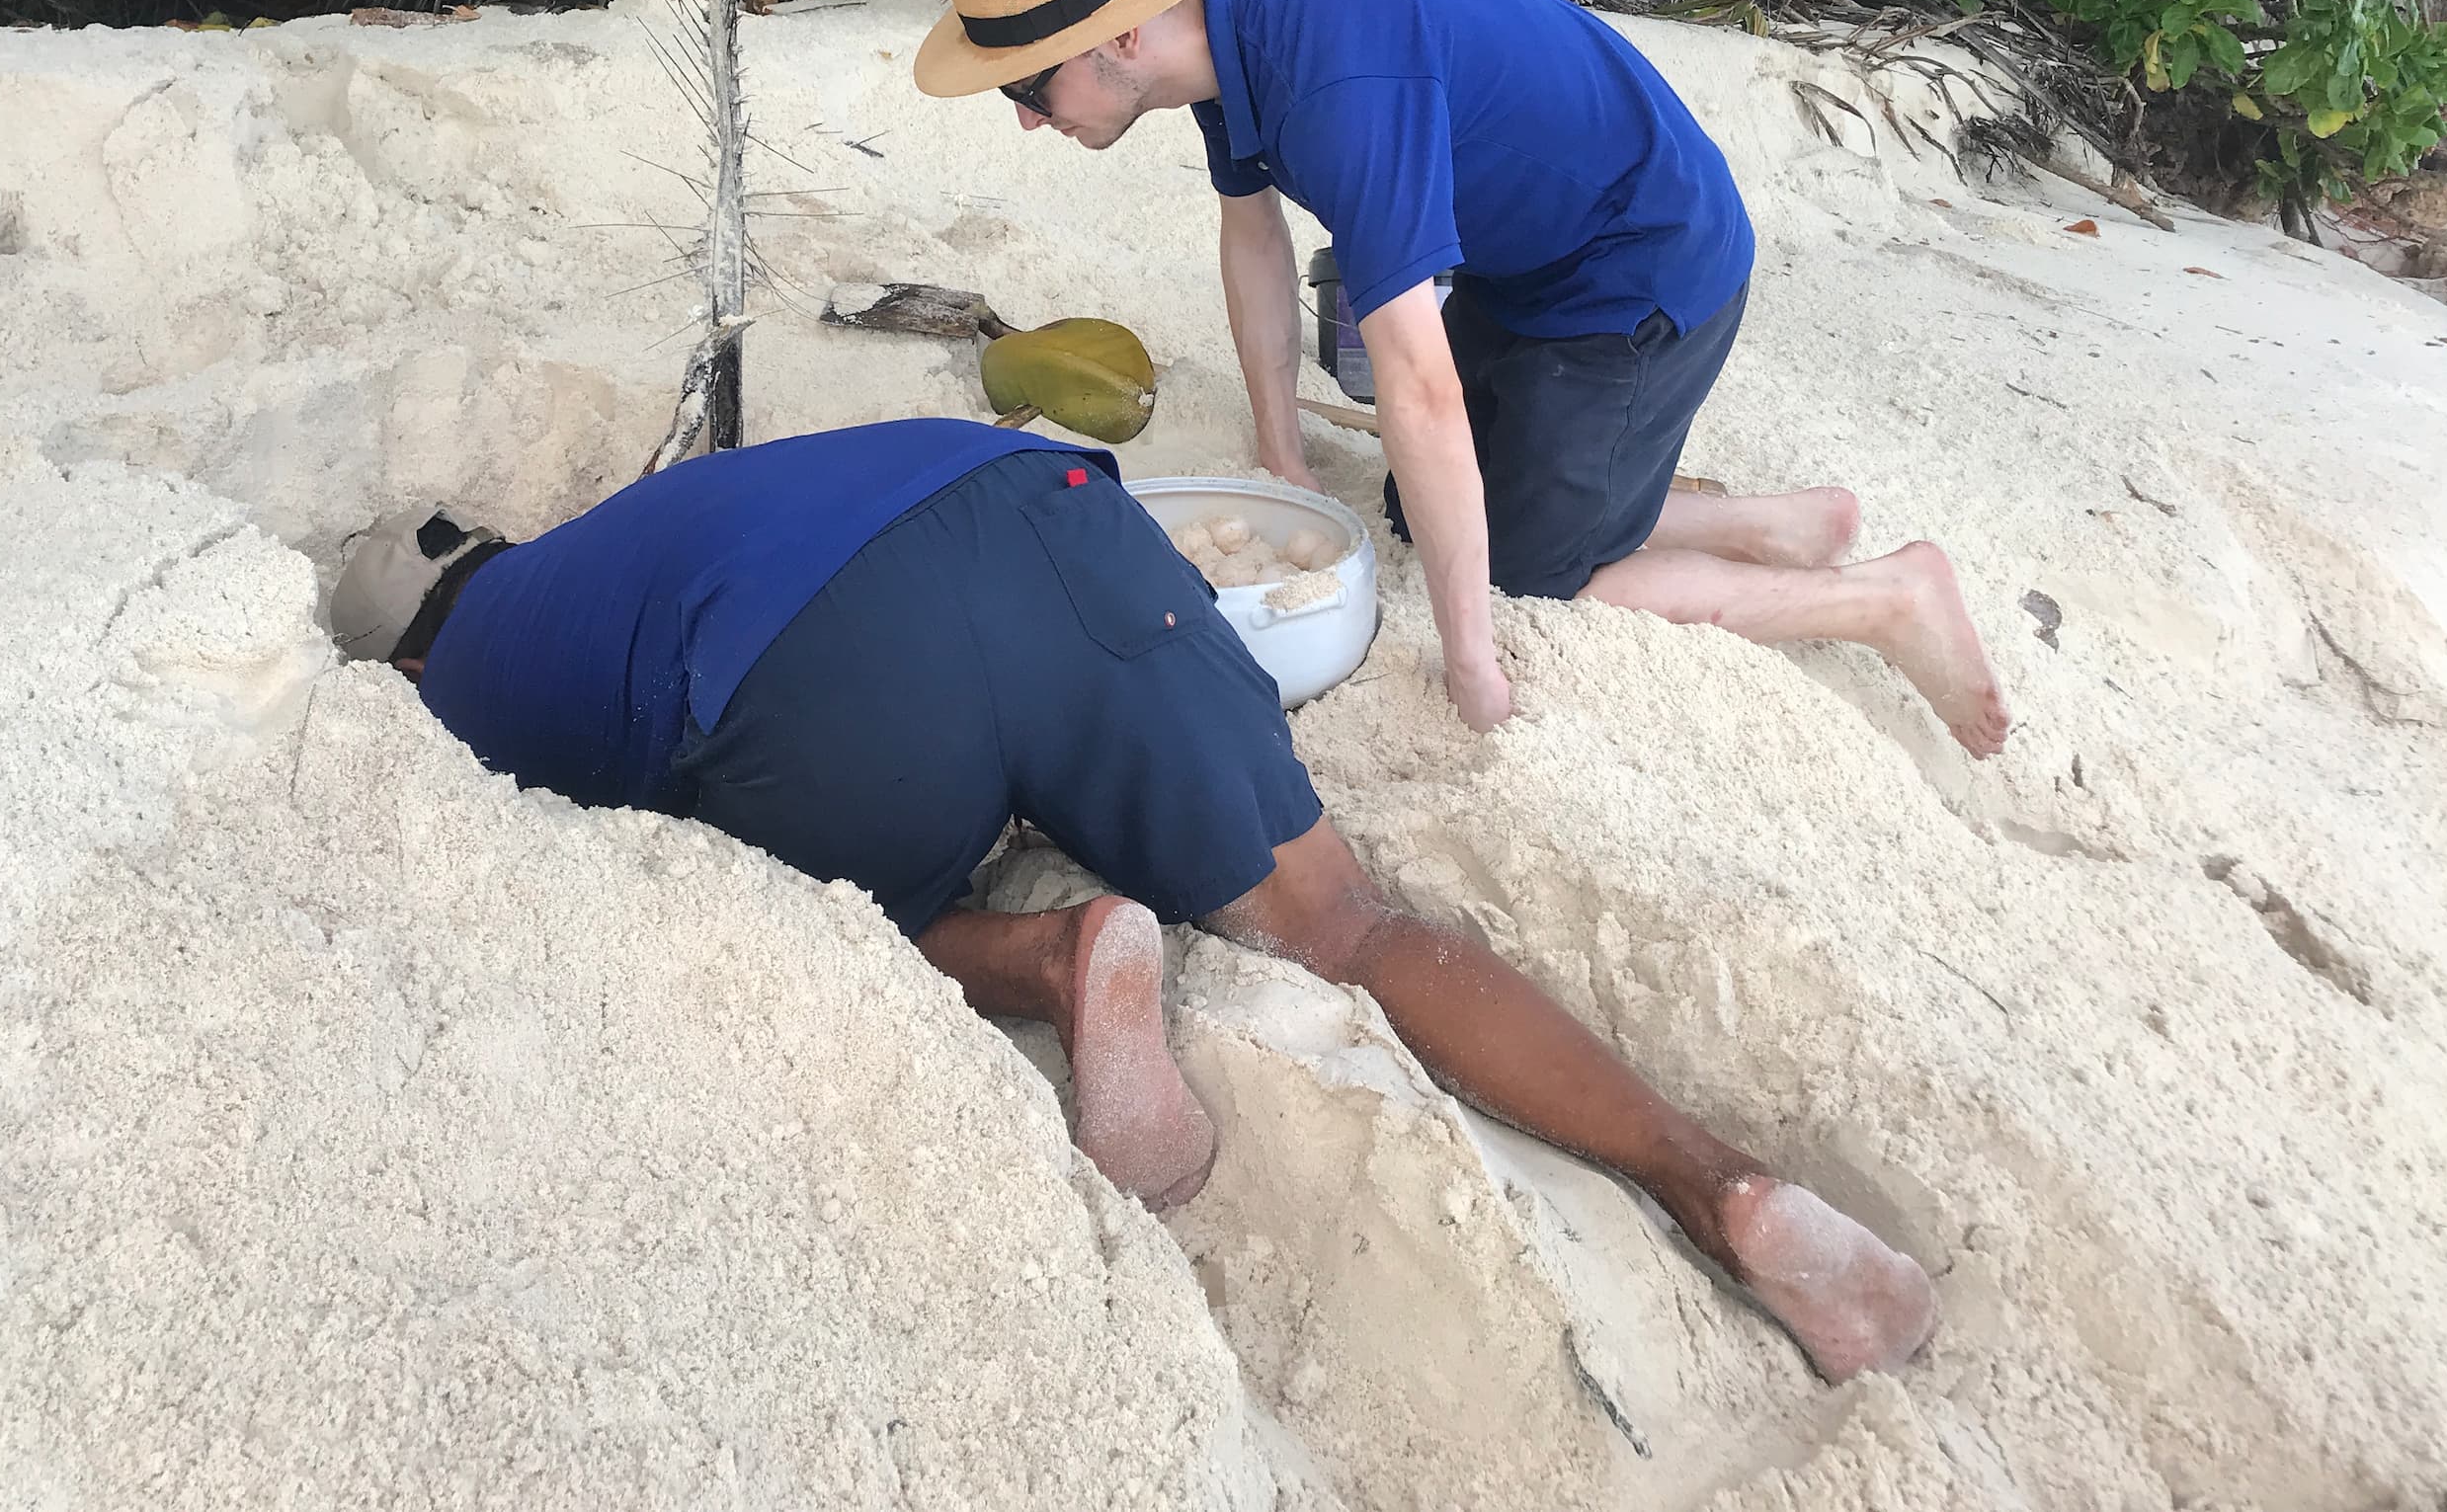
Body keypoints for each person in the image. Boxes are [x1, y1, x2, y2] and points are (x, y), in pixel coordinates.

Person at [331, 420, 1940, 1382]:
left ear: (412, 649)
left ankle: (1049, 947)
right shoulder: (628, 524)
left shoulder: (451, 686)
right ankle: (1721, 1182)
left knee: (769, 908)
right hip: (1051, 514)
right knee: (1344, 921)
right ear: (497, 542)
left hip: (829, 665)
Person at [912, 0, 2010, 754]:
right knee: (1415, 506)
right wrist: (1281, 459)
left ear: (1115, 38)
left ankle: (1884, 597)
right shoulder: (1218, 19)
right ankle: (1775, 526)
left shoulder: (1338, 86)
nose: (1021, 118)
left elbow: (1419, 390)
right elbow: (1250, 231)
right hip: (1527, 260)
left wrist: (1471, 660)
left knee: (1525, 569)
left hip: (1642, 267)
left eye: (1025, 86)